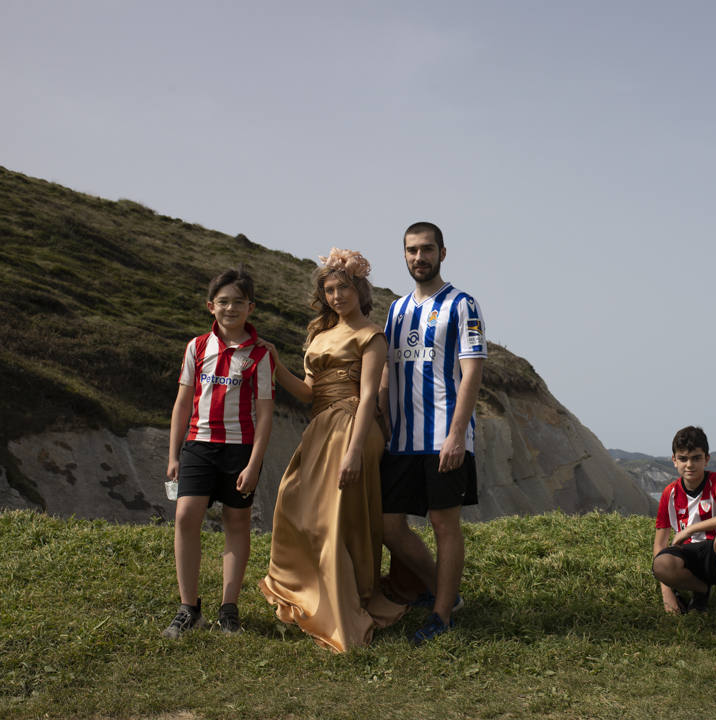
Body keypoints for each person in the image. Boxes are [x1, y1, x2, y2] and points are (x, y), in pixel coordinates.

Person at [259, 248, 405, 652]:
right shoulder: (318, 335)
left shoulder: (371, 335)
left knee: (337, 518)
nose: (337, 296)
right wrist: (274, 363)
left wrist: (355, 452)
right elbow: (308, 393)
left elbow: (367, 397)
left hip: (354, 427)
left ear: (359, 289)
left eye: (343, 288)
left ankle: (346, 604)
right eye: (329, 290)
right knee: (297, 506)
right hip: (321, 425)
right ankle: (310, 590)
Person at [379, 221, 486, 646]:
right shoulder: (396, 309)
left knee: (444, 525)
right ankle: (444, 592)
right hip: (401, 440)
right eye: (411, 251)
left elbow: (473, 369)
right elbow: (386, 369)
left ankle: (441, 615)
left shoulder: (463, 304)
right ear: (404, 255)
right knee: (388, 525)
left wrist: (457, 434)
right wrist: (379, 416)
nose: (418, 257)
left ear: (443, 252)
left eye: (426, 249)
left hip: (444, 435)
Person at [163, 267, 274, 638]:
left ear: (250, 307)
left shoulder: (260, 354)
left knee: (237, 523)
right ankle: (188, 608)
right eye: (223, 301)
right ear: (211, 306)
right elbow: (181, 404)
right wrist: (174, 454)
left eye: (238, 302)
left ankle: (229, 609)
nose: (230, 308)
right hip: (198, 445)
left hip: (240, 449)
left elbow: (265, 414)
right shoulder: (196, 347)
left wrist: (255, 464)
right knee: (185, 518)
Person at [652, 426, 716, 637]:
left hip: (715, 555)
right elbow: (660, 544)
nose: (690, 465)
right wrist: (667, 594)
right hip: (688, 557)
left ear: (706, 459)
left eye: (696, 458)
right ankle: (701, 590)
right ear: (674, 460)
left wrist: (690, 529)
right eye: (683, 458)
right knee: (661, 564)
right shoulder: (670, 493)